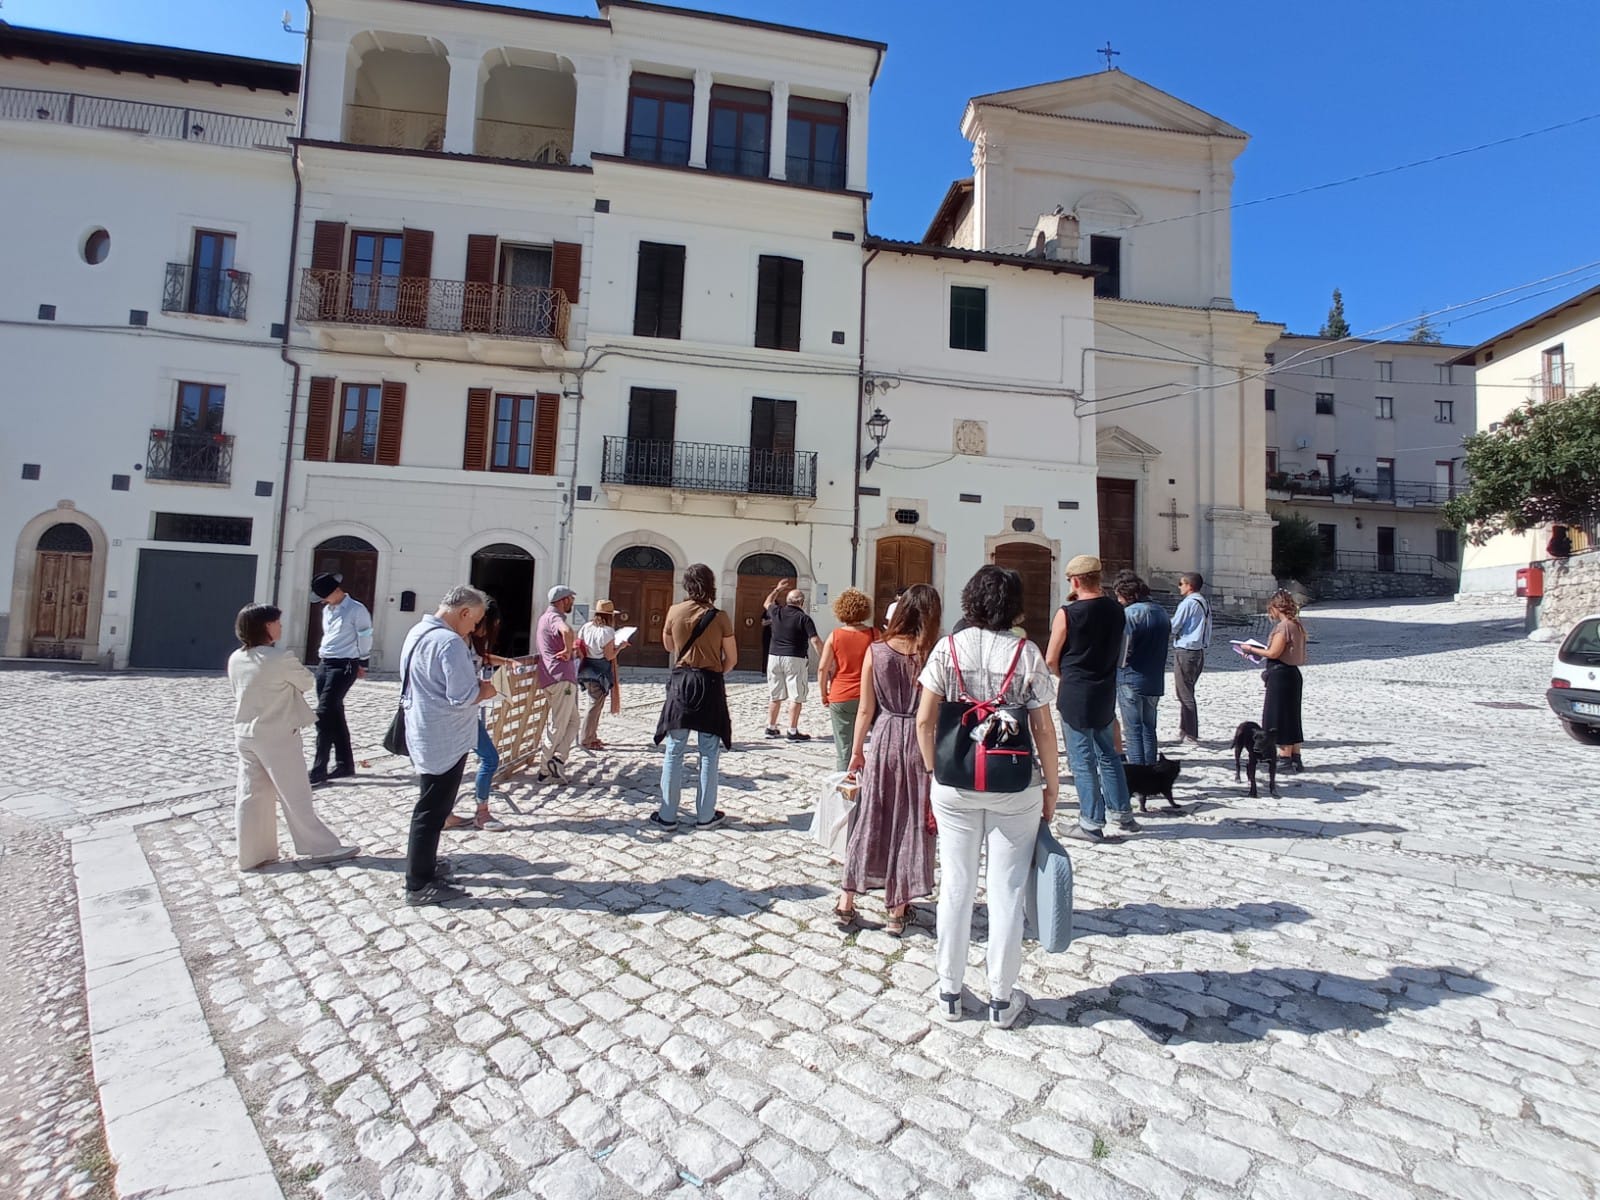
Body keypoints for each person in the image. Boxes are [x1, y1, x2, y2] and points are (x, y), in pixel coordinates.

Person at [916, 567, 1060, 1028]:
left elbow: (923, 721)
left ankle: (949, 991)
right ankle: (1001, 997)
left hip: (955, 780)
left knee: (956, 886)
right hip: (1012, 784)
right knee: (1007, 889)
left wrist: (932, 771)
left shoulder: (948, 648)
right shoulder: (1026, 652)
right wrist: (1051, 787)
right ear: (1014, 604)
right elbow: (1042, 727)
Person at [838, 584, 941, 936]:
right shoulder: (930, 653)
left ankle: (846, 899)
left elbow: (865, 708)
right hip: (918, 738)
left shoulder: (876, 650)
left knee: (872, 815)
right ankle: (897, 910)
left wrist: (856, 751)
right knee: (911, 820)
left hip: (883, 736)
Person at [228, 604, 359, 871]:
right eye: (276, 622)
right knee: (295, 794)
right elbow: (306, 682)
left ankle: (252, 853)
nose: (281, 626)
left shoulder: (236, 658)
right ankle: (322, 847)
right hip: (277, 734)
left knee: (251, 794)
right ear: (266, 626)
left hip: (245, 733)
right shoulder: (279, 658)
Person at [399, 586, 497, 905]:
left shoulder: (419, 631)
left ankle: (426, 866)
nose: (473, 628)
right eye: (474, 620)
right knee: (432, 809)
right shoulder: (449, 642)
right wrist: (489, 690)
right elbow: (463, 696)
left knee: (432, 804)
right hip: (444, 735)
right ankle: (418, 883)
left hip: (425, 728)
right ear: (464, 612)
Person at [1045, 554, 1138, 843]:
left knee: (1082, 759)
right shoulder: (1116, 610)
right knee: (1108, 752)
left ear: (1074, 581)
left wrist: (1065, 674)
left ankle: (1090, 822)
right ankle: (1122, 812)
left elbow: (1050, 658)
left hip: (1076, 690)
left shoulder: (1068, 613)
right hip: (1104, 689)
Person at [652, 564, 737, 829]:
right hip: (709, 681)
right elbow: (732, 658)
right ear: (711, 585)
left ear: (686, 585)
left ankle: (667, 815)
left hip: (681, 681)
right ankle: (705, 815)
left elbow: (667, 646)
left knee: (674, 750)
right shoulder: (720, 616)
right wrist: (713, 673)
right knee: (709, 751)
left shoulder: (674, 611)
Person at [445, 600, 509, 833]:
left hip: (468, 713)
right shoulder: (457, 642)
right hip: (458, 713)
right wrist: (489, 687)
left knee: (474, 760)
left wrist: (506, 663)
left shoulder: (470, 642)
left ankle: (451, 812)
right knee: (486, 759)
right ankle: (478, 812)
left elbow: (482, 658)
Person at [308, 572, 373, 786]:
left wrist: (363, 662)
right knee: (334, 713)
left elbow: (365, 636)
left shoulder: (357, 610)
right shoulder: (328, 610)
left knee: (324, 713)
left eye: (325, 596)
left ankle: (319, 768)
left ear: (335, 591)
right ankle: (345, 763)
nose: (323, 601)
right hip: (325, 663)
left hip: (344, 664)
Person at [1114, 571, 1170, 767]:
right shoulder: (1162, 612)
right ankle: (1151, 770)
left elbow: (1124, 648)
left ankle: (1138, 773)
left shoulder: (1131, 614)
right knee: (1149, 728)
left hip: (1130, 676)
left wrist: (1117, 668)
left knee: (1133, 730)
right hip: (1155, 677)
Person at [817, 588, 875, 772]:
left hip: (840, 694)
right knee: (871, 744)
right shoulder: (874, 635)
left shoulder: (835, 636)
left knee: (844, 747)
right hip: (867, 696)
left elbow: (822, 668)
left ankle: (843, 785)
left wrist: (823, 693)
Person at [763, 579, 823, 740]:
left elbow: (767, 602)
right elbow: (815, 640)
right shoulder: (804, 618)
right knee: (796, 695)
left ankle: (771, 727)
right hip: (795, 658)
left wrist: (777, 589)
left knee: (775, 694)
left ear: (787, 601)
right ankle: (792, 730)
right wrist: (824, 659)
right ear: (802, 602)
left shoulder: (777, 612)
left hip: (774, 657)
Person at [534, 585, 581, 784]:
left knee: (573, 721)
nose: (572, 602)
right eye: (570, 598)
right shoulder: (555, 618)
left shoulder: (544, 617)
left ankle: (558, 759)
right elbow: (567, 630)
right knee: (559, 724)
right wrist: (568, 650)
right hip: (561, 678)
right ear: (563, 600)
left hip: (552, 677)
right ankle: (545, 770)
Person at [1259, 588, 1308, 773]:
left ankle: (1284, 757)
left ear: (1275, 607)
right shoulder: (1296, 625)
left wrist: (1251, 650)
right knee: (1292, 716)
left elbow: (1273, 652)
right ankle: (1296, 757)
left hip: (1281, 675)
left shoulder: (1284, 627)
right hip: (1292, 674)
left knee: (1279, 717)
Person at [578, 599, 628, 750]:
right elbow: (609, 655)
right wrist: (620, 647)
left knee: (595, 704)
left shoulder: (586, 627)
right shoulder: (607, 631)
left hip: (586, 667)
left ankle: (592, 735)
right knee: (594, 706)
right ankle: (586, 738)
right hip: (599, 671)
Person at [1170, 572, 1211, 745]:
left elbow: (1174, 625)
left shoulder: (1188, 603)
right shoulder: (1203, 602)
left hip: (1186, 649)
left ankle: (1191, 733)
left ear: (1189, 585)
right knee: (1185, 690)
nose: (1179, 587)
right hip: (1198, 650)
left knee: (1185, 693)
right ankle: (1184, 729)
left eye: (1181, 584)